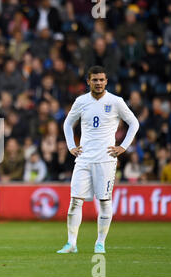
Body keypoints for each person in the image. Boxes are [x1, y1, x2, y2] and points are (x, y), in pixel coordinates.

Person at [58, 65, 139, 254]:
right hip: (84, 158)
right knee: (75, 201)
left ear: (106, 81)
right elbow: (68, 123)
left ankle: (100, 242)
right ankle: (71, 243)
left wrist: (123, 147)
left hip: (106, 159)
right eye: (95, 80)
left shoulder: (116, 101)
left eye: (102, 79)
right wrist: (71, 146)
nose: (99, 83)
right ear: (88, 81)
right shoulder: (81, 101)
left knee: (104, 201)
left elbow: (134, 122)